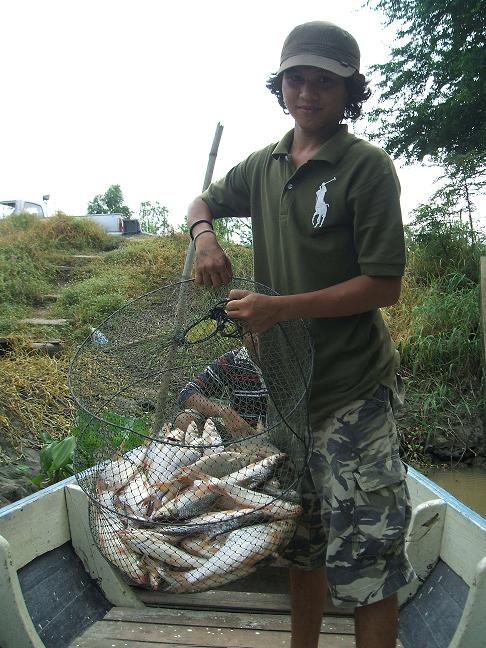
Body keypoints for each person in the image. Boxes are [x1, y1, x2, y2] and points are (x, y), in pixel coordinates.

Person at [186, 20, 416, 648]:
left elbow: (382, 284)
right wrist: (205, 239)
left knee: (369, 566)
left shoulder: (366, 168)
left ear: (349, 92)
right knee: (304, 547)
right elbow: (200, 202)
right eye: (296, 78)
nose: (308, 92)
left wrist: (280, 309)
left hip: (352, 397)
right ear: (280, 84)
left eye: (325, 81)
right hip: (289, 399)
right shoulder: (264, 166)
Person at [175, 337, 267, 438]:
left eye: (260, 331)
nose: (256, 338)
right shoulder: (234, 360)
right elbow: (186, 394)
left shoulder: (285, 357)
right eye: (248, 330)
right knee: (184, 419)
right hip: (239, 434)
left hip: (280, 431)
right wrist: (222, 411)